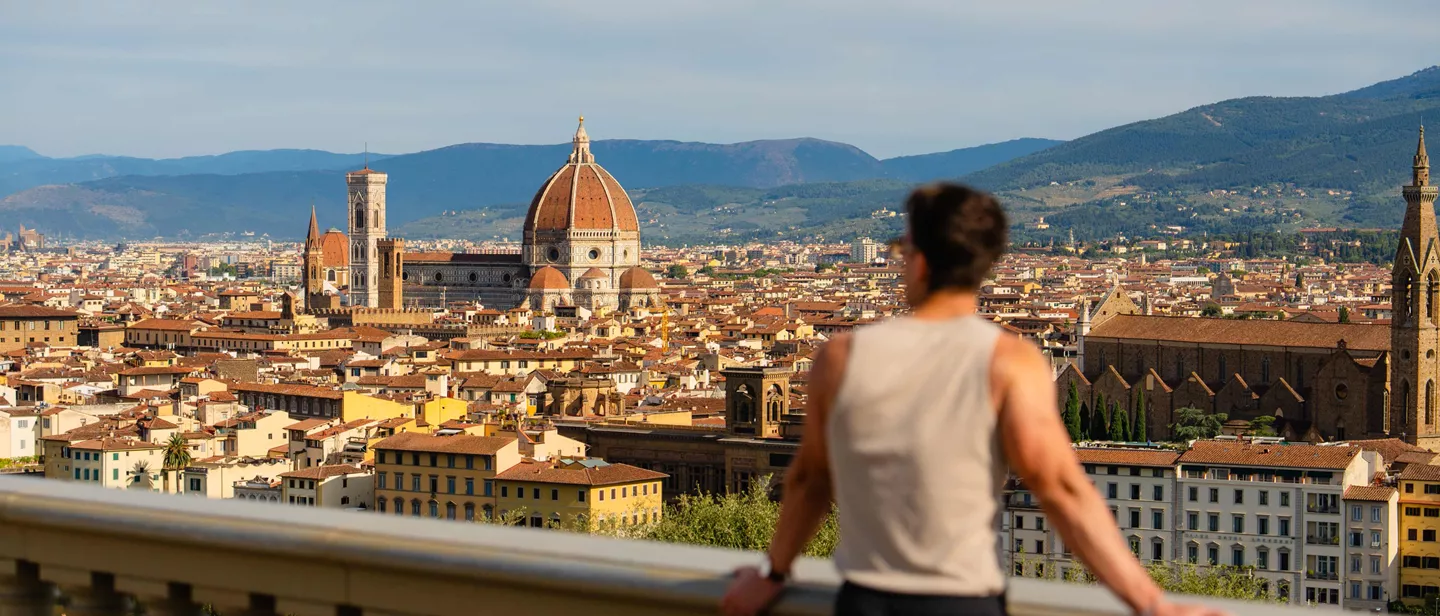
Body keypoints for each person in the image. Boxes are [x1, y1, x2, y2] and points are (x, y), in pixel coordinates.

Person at [721, 184, 1226, 616]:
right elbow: (1061, 491)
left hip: (867, 601)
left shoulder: (843, 357)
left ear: (917, 260)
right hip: (964, 601)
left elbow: (810, 479)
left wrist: (774, 572)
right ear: (985, 266)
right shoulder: (1010, 362)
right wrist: (1150, 602)